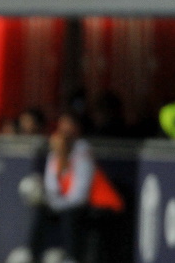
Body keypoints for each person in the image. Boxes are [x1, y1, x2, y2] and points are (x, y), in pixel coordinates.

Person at [41, 112, 124, 262]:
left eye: (68, 124)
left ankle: (73, 258)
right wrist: (54, 202)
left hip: (102, 204)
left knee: (70, 213)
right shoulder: (54, 156)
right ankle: (36, 254)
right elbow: (51, 187)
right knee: (42, 209)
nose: (63, 129)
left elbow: (79, 196)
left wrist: (58, 204)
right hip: (76, 205)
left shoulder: (83, 152)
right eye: (61, 125)